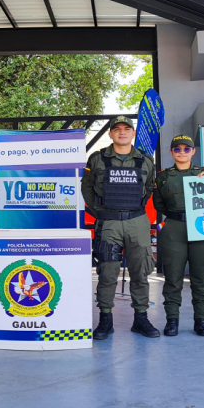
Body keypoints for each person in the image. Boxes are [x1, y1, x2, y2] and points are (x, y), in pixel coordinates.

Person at [81, 116, 159, 340]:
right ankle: (105, 320)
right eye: (117, 129)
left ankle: (141, 318)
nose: (122, 132)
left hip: (137, 222)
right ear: (110, 134)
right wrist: (101, 211)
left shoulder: (145, 160)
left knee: (140, 272)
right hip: (109, 223)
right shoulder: (97, 159)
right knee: (107, 272)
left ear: (133, 133)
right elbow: (87, 189)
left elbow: (149, 188)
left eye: (126, 129)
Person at [153, 135, 204, 337]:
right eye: (177, 149)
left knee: (201, 277)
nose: (182, 152)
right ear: (171, 152)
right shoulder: (163, 177)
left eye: (186, 149)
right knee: (173, 277)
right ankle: (172, 320)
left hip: (202, 227)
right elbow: (159, 204)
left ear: (193, 152)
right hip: (174, 227)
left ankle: (201, 320)